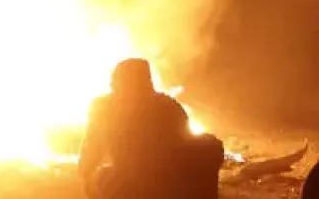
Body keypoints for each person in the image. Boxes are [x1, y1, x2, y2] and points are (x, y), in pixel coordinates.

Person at [78, 58, 224, 199]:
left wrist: (86, 173)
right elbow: (186, 141)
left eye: (115, 78)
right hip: (170, 183)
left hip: (132, 184)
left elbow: (91, 149)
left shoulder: (104, 107)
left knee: (104, 178)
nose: (111, 83)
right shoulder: (169, 105)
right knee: (210, 143)